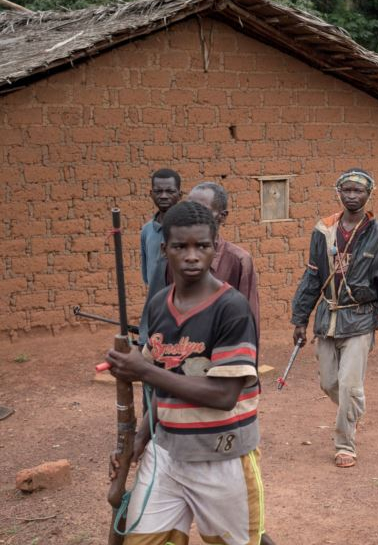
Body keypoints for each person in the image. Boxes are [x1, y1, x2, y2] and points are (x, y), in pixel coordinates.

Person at [105, 201, 266, 545]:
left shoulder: (231, 308)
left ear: (214, 247)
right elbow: (158, 388)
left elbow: (224, 396)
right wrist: (140, 437)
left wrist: (143, 370)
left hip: (222, 456)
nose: (192, 256)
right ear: (164, 250)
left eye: (202, 246)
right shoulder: (159, 304)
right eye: (181, 247)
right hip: (166, 454)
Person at [291, 169, 378, 468]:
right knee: (329, 384)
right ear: (337, 192)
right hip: (328, 317)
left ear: (370, 194)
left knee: (350, 385)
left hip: (360, 319)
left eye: (359, 191)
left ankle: (345, 444)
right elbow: (312, 277)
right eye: (347, 190)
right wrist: (300, 319)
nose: (352, 196)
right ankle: (353, 409)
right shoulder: (323, 230)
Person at [187, 182, 260, 324]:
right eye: (190, 209)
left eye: (202, 210)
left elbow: (249, 318)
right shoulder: (175, 259)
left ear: (222, 216)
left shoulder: (239, 261)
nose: (194, 216)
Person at [139, 168, 182, 344]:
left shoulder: (188, 229)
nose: (163, 196)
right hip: (156, 311)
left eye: (170, 191)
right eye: (158, 191)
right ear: (151, 194)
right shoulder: (147, 230)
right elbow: (147, 277)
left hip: (183, 309)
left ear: (179, 194)